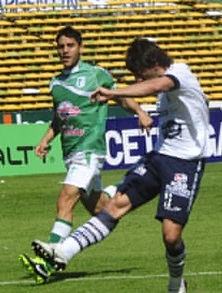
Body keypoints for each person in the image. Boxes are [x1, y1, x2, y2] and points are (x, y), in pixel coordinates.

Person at [29, 38, 211, 292]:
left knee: (171, 236)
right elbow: (153, 85)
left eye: (140, 75)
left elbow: (157, 84)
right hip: (160, 157)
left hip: (185, 163)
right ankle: (64, 251)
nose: (138, 80)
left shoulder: (180, 73)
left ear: (155, 65)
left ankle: (176, 284)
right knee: (114, 206)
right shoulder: (163, 81)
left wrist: (114, 92)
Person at [18, 26, 153, 284]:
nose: (65, 50)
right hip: (70, 153)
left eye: (70, 45)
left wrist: (140, 112)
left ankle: (48, 258)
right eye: (61, 46)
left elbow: (122, 98)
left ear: (80, 47)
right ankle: (129, 187)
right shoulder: (56, 83)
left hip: (89, 149)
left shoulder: (95, 74)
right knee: (101, 208)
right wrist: (45, 140)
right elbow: (59, 118)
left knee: (66, 199)